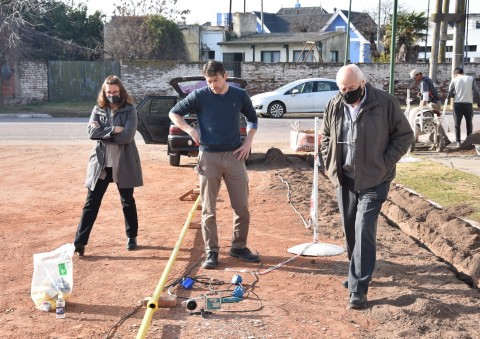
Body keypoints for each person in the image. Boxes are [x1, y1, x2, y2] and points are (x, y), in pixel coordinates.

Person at [320, 64, 413, 309]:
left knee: (363, 228)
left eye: (351, 88)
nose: (347, 92)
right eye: (342, 88)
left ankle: (358, 288)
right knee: (350, 228)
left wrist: (384, 162)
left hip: (375, 179)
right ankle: (356, 270)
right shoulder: (334, 104)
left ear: (363, 83)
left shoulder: (385, 103)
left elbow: (404, 135)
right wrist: (330, 165)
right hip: (346, 178)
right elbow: (326, 136)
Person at [169, 60, 259, 269]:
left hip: (235, 157)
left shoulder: (239, 96)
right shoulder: (200, 95)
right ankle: (212, 251)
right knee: (209, 209)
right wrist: (190, 130)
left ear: (225, 76)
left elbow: (253, 120)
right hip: (209, 157)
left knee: (242, 207)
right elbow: (174, 113)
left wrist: (248, 142)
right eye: (209, 81)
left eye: (216, 80)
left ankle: (238, 246)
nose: (213, 85)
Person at [73, 75, 143, 256]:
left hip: (124, 162)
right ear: (104, 93)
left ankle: (131, 236)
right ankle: (79, 242)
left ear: (121, 91)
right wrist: (114, 130)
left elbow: (127, 137)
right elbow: (91, 133)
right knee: (91, 202)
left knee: (127, 201)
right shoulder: (98, 109)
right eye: (109, 92)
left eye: (115, 91)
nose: (112, 94)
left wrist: (103, 132)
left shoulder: (130, 110)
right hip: (101, 164)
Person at [409, 69, 451, 146]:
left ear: (418, 74)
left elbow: (425, 96)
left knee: (434, 121)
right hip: (436, 102)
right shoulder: (427, 79)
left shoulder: (424, 82)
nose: (415, 80)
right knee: (433, 121)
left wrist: (422, 109)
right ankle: (434, 138)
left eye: (415, 78)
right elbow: (428, 92)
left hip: (432, 103)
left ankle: (444, 138)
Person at [446, 67, 480, 146]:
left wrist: (455, 94)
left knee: (457, 124)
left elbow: (450, 94)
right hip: (468, 104)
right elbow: (476, 92)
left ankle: (458, 142)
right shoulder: (471, 79)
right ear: (463, 72)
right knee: (469, 123)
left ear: (455, 74)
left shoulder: (454, 80)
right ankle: (469, 141)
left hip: (458, 104)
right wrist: (479, 103)